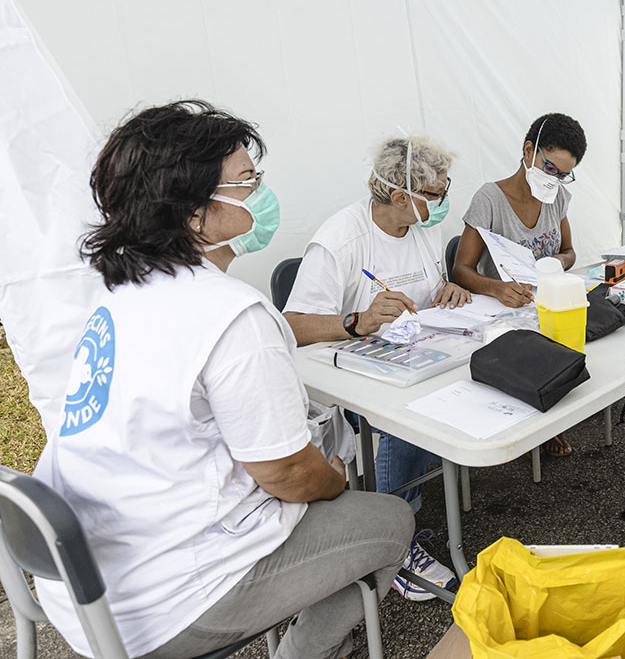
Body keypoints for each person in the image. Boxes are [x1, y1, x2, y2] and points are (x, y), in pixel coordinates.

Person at [34, 101, 413, 659]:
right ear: (193, 212)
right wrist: (332, 478)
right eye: (246, 181)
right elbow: (286, 471)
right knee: (389, 519)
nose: (260, 191)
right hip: (169, 603)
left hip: (83, 582)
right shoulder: (232, 314)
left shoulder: (120, 298)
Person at [283, 135, 468, 600]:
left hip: (418, 353)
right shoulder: (340, 240)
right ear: (400, 196)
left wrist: (450, 291)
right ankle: (396, 538)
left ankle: (415, 501)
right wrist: (359, 320)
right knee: (406, 415)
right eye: (435, 194)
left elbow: (429, 289)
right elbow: (292, 325)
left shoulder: (424, 227)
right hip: (350, 366)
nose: (443, 202)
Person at [451, 112, 586, 457]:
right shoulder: (490, 200)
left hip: (542, 305)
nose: (554, 179)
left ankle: (549, 419)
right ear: (529, 151)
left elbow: (569, 251)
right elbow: (461, 270)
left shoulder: (556, 197)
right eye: (550, 168)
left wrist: (556, 263)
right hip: (500, 316)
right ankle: (538, 423)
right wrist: (497, 288)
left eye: (564, 174)